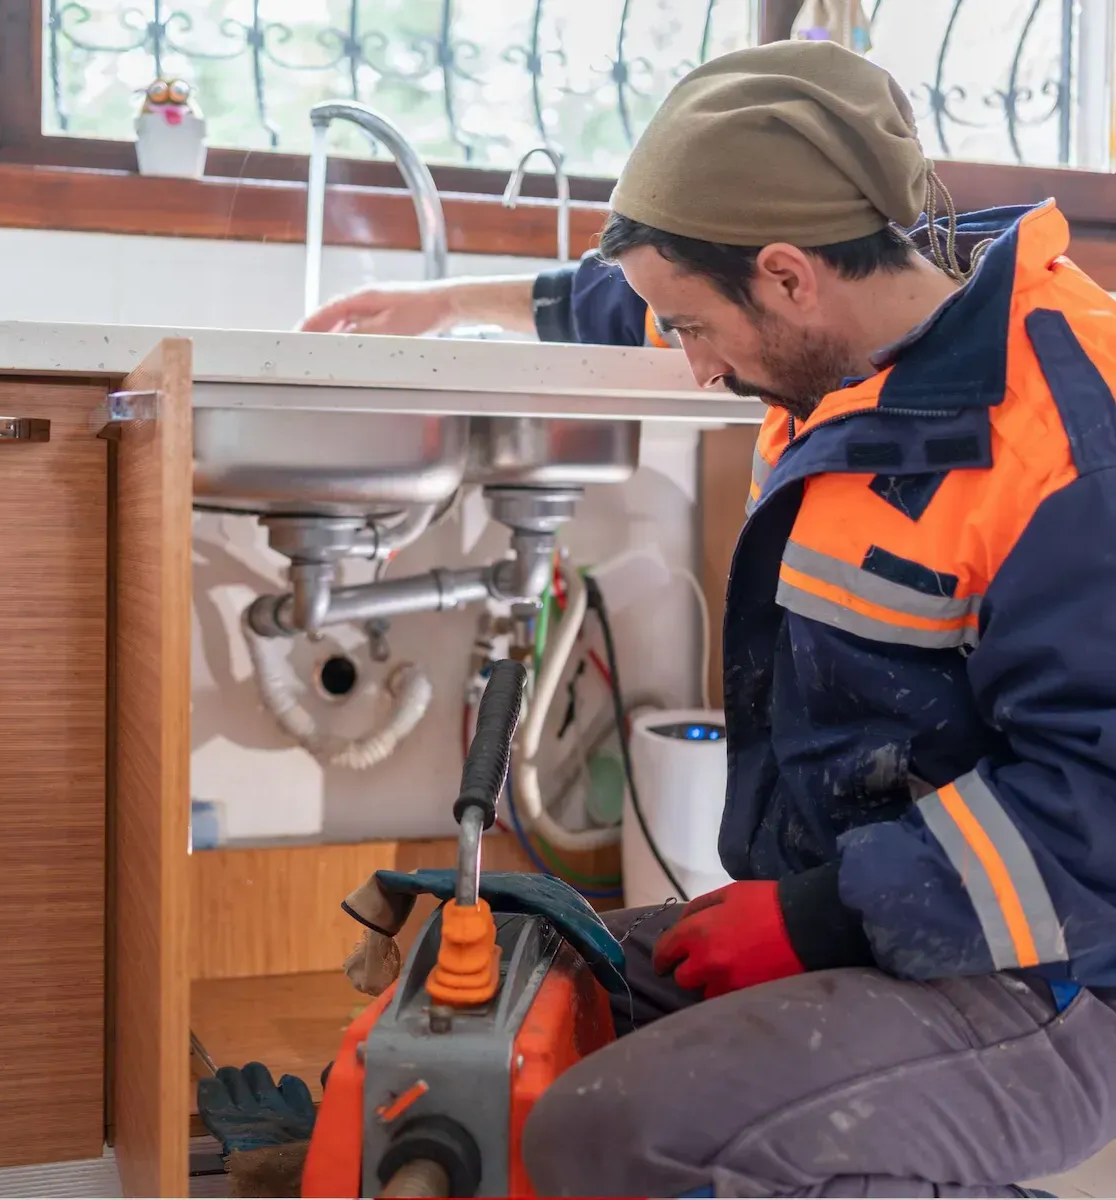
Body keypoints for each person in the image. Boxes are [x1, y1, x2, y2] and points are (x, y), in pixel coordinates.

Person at [302, 40, 1116, 1200]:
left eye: (690, 329)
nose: (689, 369)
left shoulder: (1071, 444)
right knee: (527, 987)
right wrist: (444, 302)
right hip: (892, 907)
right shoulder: (857, 309)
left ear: (788, 276)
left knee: (614, 1131)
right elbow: (636, 292)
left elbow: (1100, 808)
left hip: (1062, 971)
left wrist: (818, 921)